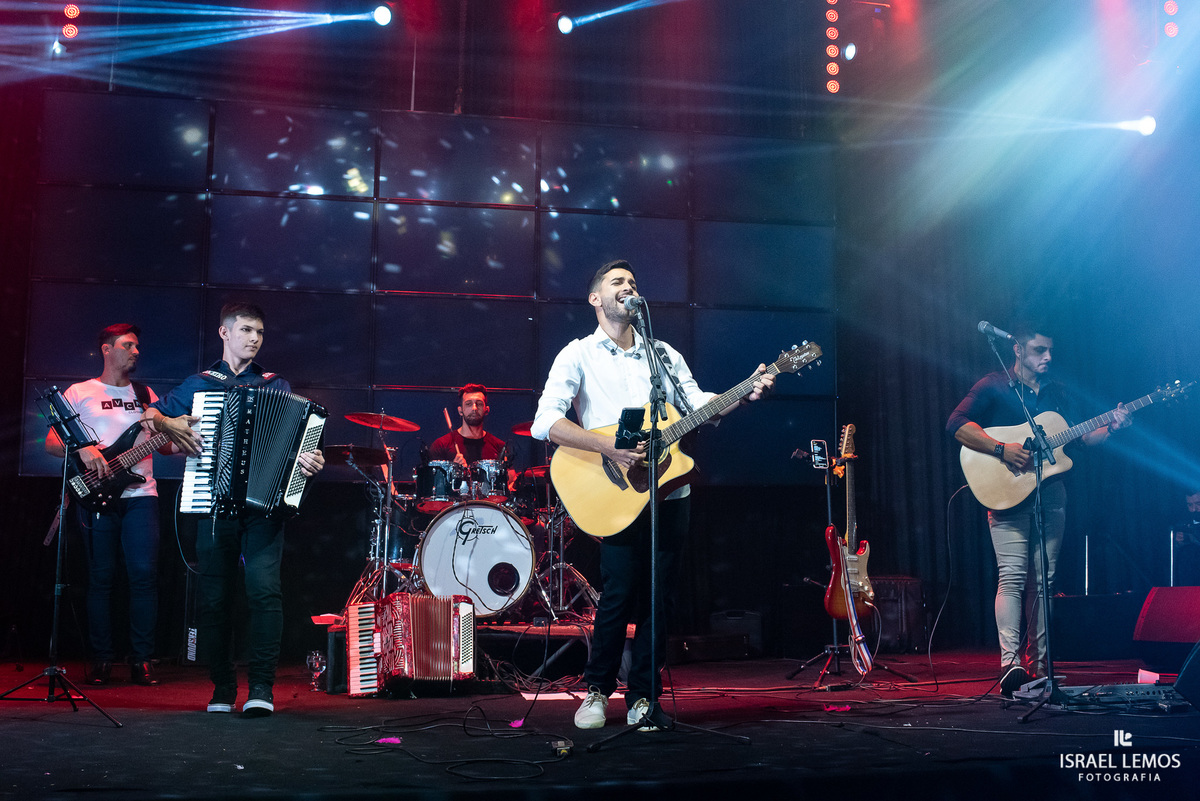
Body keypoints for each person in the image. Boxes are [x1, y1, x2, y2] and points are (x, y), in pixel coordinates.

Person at [531, 259, 773, 730]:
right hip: (614, 491)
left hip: (669, 493)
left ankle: (644, 696)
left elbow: (697, 405)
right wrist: (609, 448)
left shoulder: (661, 354)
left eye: (633, 282)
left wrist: (742, 393)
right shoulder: (577, 355)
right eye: (617, 282)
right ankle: (597, 691)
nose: (628, 287)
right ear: (595, 299)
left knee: (661, 598)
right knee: (618, 595)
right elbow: (547, 423)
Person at [143, 302, 324, 717]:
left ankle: (261, 687)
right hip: (212, 505)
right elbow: (150, 416)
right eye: (245, 330)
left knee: (265, 594)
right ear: (225, 333)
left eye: (259, 332)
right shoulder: (198, 384)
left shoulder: (276, 385)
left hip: (265, 509)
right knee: (215, 599)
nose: (254, 338)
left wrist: (310, 461)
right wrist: (167, 423)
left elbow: (299, 447)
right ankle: (222, 688)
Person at [947, 323, 1130, 697]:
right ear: (1017, 350)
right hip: (1006, 492)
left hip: (1051, 495)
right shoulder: (993, 385)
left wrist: (1111, 426)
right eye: (1039, 350)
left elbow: (1081, 438)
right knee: (1012, 576)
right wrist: (1001, 449)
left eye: (1050, 351)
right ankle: (1010, 664)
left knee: (1044, 583)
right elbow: (956, 425)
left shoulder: (1058, 392)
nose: (1047, 357)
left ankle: (1040, 665)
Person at [45, 323, 171, 687]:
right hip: (96, 494)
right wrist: (82, 448)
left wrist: (185, 435)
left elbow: (163, 444)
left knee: (144, 577)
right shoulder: (80, 391)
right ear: (106, 349)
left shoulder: (146, 394)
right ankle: (101, 659)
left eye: (137, 347)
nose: (135, 352)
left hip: (141, 495)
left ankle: (142, 660)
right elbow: (52, 442)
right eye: (128, 345)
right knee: (101, 578)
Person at [428, 383, 508, 466]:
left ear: (486, 410)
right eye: (468, 404)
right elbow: (433, 478)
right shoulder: (441, 445)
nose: (474, 408)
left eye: (479, 404)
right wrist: (453, 469)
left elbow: (510, 477)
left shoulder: (500, 447)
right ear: (460, 411)